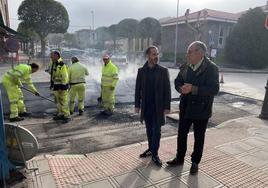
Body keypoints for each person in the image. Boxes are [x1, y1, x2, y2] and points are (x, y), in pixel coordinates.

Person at [167, 41, 219, 175]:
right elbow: (177, 81)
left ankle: (195, 162)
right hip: (185, 106)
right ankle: (179, 158)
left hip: (202, 109)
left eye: (190, 51)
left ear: (200, 53)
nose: (187, 54)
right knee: (181, 134)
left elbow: (214, 89)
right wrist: (181, 88)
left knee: (199, 137)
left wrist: (193, 89)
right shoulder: (186, 66)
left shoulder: (211, 68)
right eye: (188, 51)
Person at [135, 46, 171, 166]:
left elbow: (167, 90)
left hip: (158, 107)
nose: (156, 57)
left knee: (157, 130)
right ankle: (151, 149)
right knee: (149, 129)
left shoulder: (163, 70)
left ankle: (155, 153)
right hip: (146, 106)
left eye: (157, 54)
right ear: (148, 56)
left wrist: (167, 106)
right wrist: (137, 105)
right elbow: (137, 89)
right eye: (154, 54)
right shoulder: (141, 71)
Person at [50, 51, 71, 123]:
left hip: (61, 87)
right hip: (56, 86)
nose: (51, 57)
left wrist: (62, 87)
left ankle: (67, 115)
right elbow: (53, 76)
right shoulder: (54, 64)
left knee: (63, 101)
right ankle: (60, 114)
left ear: (56, 56)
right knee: (57, 101)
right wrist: (52, 85)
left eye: (52, 56)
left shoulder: (61, 64)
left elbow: (65, 77)